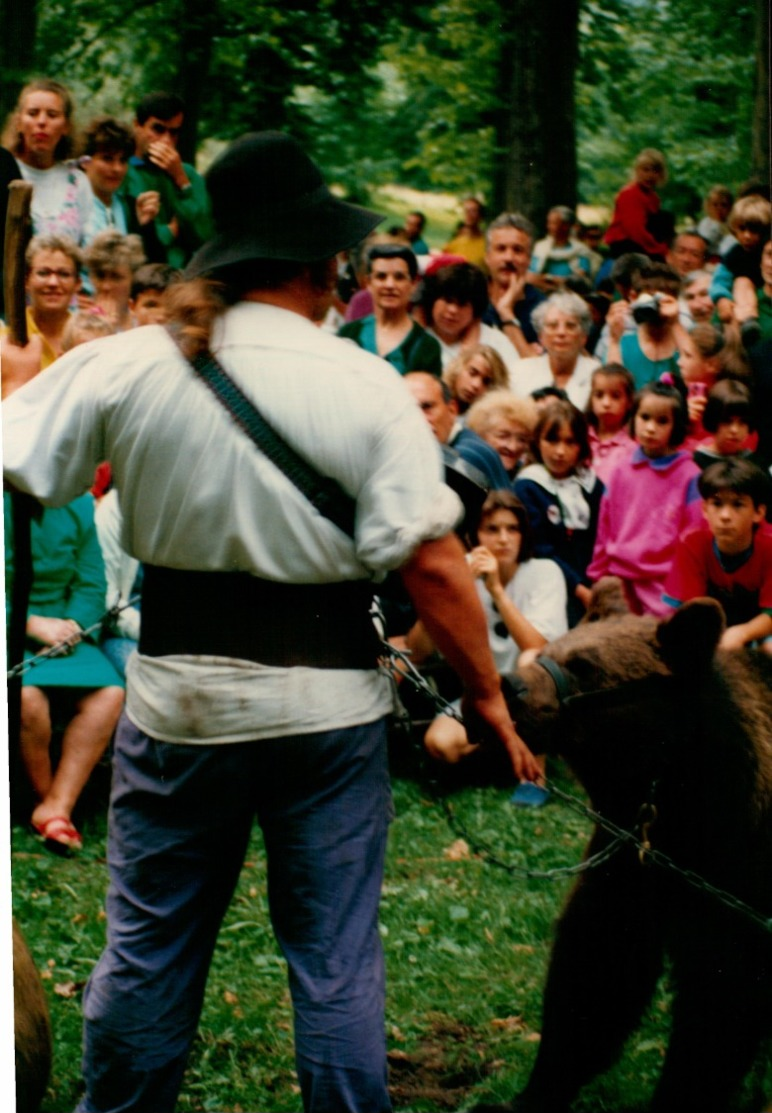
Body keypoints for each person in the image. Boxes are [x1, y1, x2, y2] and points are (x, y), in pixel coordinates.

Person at [2, 129, 538, 1113]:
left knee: (150, 947)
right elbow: (429, 561)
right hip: (326, 714)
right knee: (333, 960)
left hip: (176, 702)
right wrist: (489, 701)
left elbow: (25, 459)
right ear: (318, 264)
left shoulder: (128, 365)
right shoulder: (364, 385)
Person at [4, 491, 125, 854]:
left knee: (110, 693)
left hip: (64, 633)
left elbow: (92, 581)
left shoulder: (78, 503)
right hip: (14, 628)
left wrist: (73, 625)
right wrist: (30, 624)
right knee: (26, 697)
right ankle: (52, 807)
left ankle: (57, 807)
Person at [415, 490, 567, 769]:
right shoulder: (465, 575)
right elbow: (419, 650)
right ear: (474, 537)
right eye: (492, 530)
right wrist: (444, 594)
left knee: (530, 658)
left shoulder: (545, 572)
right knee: (439, 744)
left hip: (535, 697)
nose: (503, 539)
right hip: (486, 697)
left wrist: (497, 591)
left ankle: (536, 775)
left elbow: (539, 646)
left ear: (523, 535)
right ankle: (507, 752)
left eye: (513, 529)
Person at [587, 381, 702, 615]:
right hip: (619, 577)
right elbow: (605, 528)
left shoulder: (690, 475)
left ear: (676, 425)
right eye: (645, 417)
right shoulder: (620, 470)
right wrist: (598, 574)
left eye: (662, 421)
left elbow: (695, 536)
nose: (650, 428)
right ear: (633, 418)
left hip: (666, 583)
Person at [663, 458, 772, 651]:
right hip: (710, 626)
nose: (725, 516)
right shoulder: (691, 542)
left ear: (758, 513)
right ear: (704, 509)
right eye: (717, 504)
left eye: (738, 505)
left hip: (759, 628)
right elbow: (691, 609)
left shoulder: (769, 545)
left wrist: (743, 633)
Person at [514, 400, 603, 627]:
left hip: (593, 583)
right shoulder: (528, 486)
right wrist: (579, 589)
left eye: (570, 442)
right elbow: (540, 548)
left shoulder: (591, 485)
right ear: (537, 442)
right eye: (552, 440)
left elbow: (603, 536)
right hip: (549, 586)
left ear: (581, 446)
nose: (560, 451)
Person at [126, 91, 212, 269]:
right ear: (137, 125)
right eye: (158, 129)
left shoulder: (186, 173)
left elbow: (204, 235)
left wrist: (181, 180)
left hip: (183, 276)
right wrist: (170, 231)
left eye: (174, 133)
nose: (166, 141)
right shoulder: (123, 171)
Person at [2, 78, 92, 244]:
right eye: (33, 113)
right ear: (19, 123)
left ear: (66, 126)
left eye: (52, 115)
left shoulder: (78, 182)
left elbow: (89, 246)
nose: (42, 122)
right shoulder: (4, 172)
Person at [338, 243, 442, 375]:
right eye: (381, 276)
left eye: (399, 277)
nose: (390, 284)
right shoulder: (349, 333)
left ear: (414, 284)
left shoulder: (427, 348)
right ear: (369, 283)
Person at [403, 370, 513, 490]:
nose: (420, 419)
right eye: (409, 410)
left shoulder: (465, 458)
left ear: (452, 410)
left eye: (427, 407)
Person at [79, 115, 163, 257]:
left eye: (123, 160)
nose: (117, 168)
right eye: (107, 159)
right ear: (85, 161)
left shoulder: (130, 207)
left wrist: (145, 227)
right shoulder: (70, 207)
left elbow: (152, 266)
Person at [422, 262, 520, 378]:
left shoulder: (496, 342)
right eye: (448, 300)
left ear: (475, 311)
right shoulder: (416, 338)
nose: (453, 310)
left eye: (462, 304)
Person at [1, 233, 82, 368]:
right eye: (43, 273)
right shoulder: (5, 339)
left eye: (63, 274)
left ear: (78, 283)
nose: (53, 282)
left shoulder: (89, 337)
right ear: (26, 280)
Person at [512, 291, 600, 410]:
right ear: (540, 337)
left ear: (583, 337)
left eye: (570, 326)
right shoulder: (519, 372)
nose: (561, 333)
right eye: (553, 326)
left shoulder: (597, 375)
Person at [606, 261, 687, 389]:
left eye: (662, 300)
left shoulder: (685, 342)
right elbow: (612, 390)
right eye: (651, 300)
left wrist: (675, 322)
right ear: (633, 297)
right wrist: (614, 341)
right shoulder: (624, 345)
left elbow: (696, 377)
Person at [711, 195, 771, 349]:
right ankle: (741, 324)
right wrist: (722, 298)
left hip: (763, 293)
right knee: (742, 281)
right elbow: (720, 280)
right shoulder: (735, 254)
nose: (747, 236)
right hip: (740, 298)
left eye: (754, 230)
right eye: (742, 229)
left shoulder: (765, 250)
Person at [482, 212, 544, 357]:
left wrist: (506, 312)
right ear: (487, 257)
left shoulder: (543, 310)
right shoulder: (469, 298)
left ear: (529, 259)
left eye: (518, 250)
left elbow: (537, 369)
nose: (509, 258)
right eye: (501, 249)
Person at [602, 148, 670, 261]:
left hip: (642, 244)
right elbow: (636, 231)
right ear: (637, 171)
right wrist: (660, 250)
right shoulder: (630, 194)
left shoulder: (653, 197)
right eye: (645, 170)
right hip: (626, 246)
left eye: (655, 171)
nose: (650, 175)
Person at [465, 390, 538, 480]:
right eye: (503, 436)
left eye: (521, 439)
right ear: (481, 434)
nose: (513, 447)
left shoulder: (524, 478)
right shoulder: (466, 471)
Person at [81, 230, 146, 330]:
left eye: (116, 277)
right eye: (100, 276)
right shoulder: (78, 325)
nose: (106, 286)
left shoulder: (145, 323)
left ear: (133, 280)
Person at [585, 363, 636, 485]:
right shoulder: (580, 436)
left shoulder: (633, 446)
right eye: (599, 395)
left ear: (629, 401)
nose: (606, 403)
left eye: (615, 396)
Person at [692, 379, 756, 471]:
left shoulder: (754, 463)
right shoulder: (696, 463)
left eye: (743, 422)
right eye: (727, 421)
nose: (735, 430)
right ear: (713, 420)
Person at [528, 206, 592, 292]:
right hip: (543, 292)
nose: (549, 227)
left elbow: (582, 276)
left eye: (553, 223)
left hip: (571, 294)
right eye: (549, 223)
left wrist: (558, 281)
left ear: (565, 226)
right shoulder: (541, 247)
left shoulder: (580, 249)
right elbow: (532, 274)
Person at [443, 344, 510, 413]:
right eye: (472, 373)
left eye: (486, 382)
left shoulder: (486, 421)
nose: (476, 385)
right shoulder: (434, 398)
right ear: (458, 368)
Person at [129, 261, 179, 326]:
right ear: (132, 307)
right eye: (151, 306)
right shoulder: (119, 335)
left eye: (171, 307)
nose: (161, 317)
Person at [443, 196, 487, 267]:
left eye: (473, 211)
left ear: (480, 216)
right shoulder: (455, 243)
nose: (469, 214)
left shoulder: (488, 244)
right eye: (466, 211)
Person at [697, 184, 733, 261]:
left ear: (730, 207)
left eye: (723, 205)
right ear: (708, 206)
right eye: (715, 205)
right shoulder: (705, 224)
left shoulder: (733, 223)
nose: (719, 208)